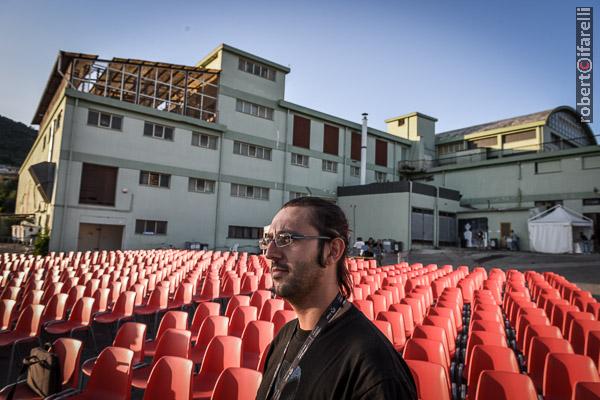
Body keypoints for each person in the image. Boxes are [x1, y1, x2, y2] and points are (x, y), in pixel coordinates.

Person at [256, 197, 417, 400]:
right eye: (268, 240)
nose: (270, 253)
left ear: (333, 251)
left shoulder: (373, 368)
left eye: (287, 239)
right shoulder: (284, 338)